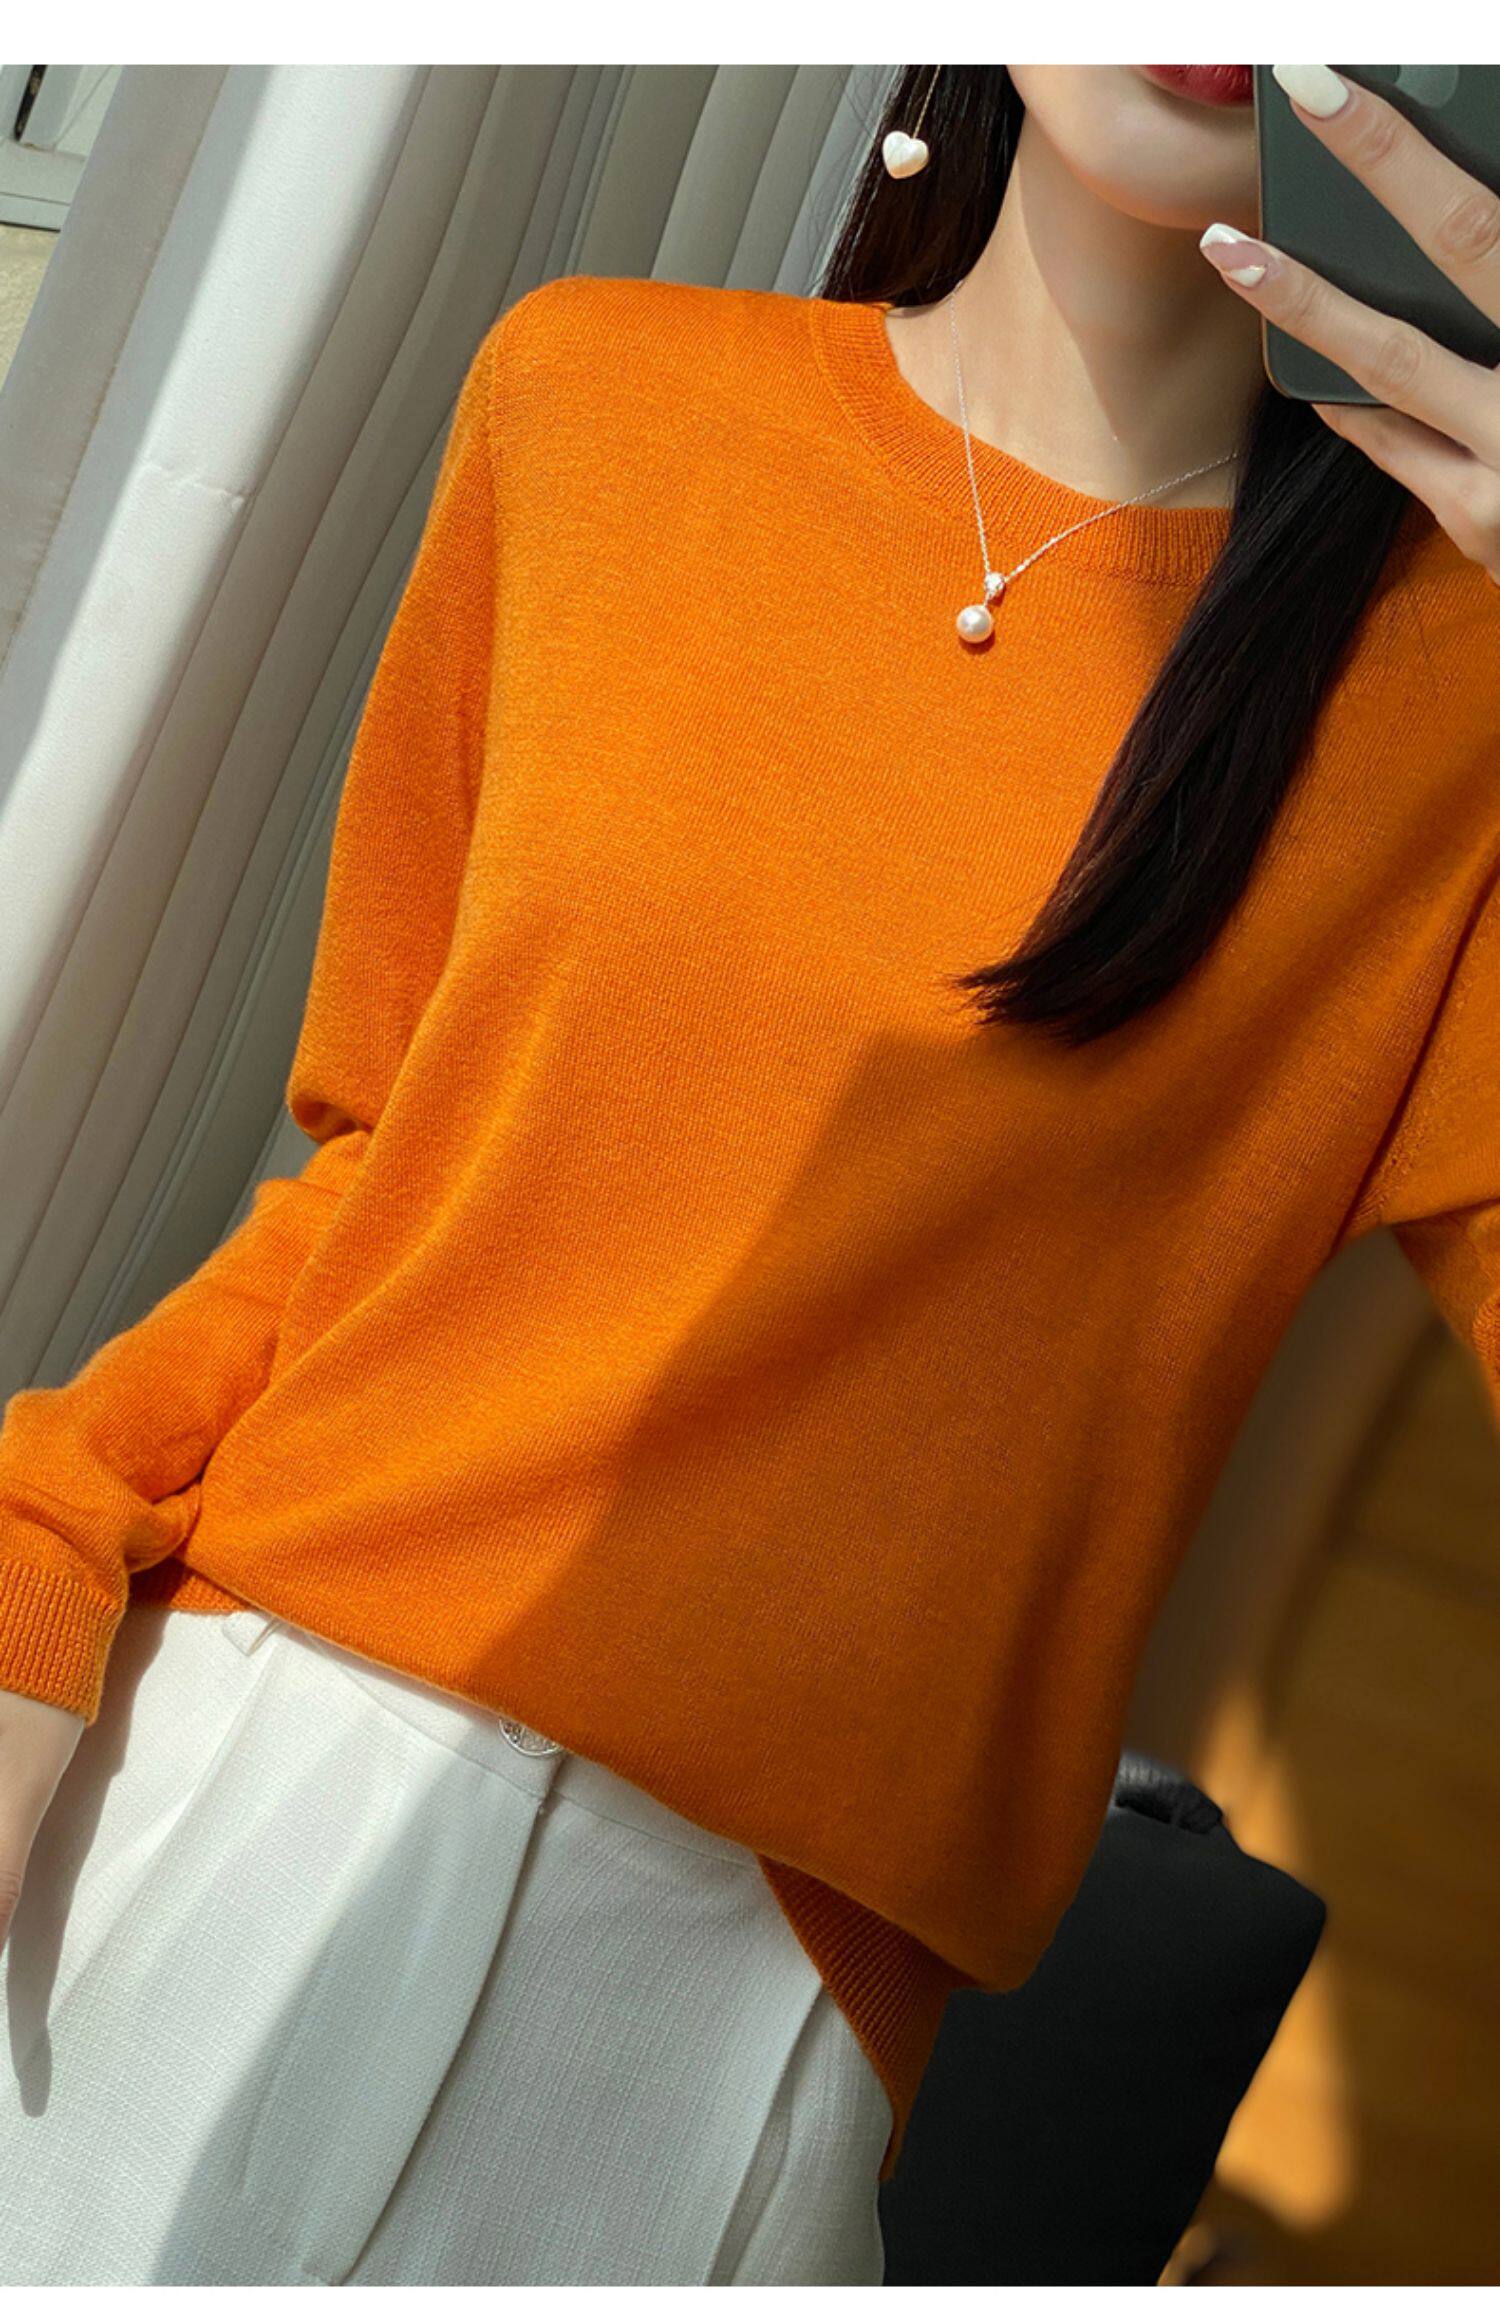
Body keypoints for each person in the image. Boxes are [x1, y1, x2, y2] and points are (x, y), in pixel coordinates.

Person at [0, 62, 1497, 2287]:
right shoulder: (597, 400)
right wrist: (34, 1549)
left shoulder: (1462, 702)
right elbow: (388, 1158)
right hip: (211, 1770)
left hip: (734, 2005)